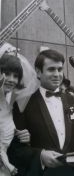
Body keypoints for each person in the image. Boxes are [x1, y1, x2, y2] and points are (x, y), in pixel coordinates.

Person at [9, 49, 74, 176]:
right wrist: (40, 155)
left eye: (59, 69)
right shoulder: (23, 105)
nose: (57, 74)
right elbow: (15, 150)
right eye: (51, 69)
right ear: (38, 72)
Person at [0, 43, 36, 176]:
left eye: (15, 76)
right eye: (6, 74)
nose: (11, 80)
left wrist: (24, 137)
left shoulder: (11, 104)